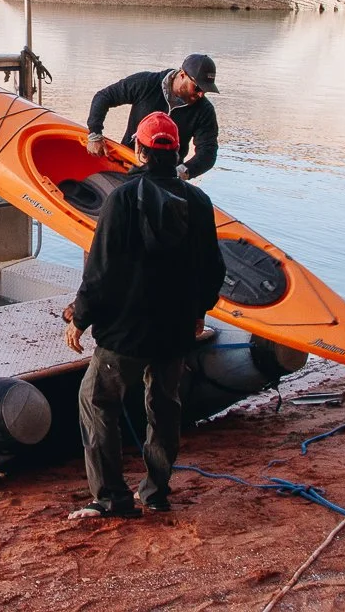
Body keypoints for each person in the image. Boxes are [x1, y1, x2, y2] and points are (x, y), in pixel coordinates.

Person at [64, 111, 227, 519]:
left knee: (97, 401)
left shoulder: (120, 198)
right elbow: (214, 270)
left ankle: (111, 498)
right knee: (165, 406)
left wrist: (81, 316)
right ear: (180, 151)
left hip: (125, 332)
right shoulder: (199, 201)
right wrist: (199, 313)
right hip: (174, 330)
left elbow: (100, 270)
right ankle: (155, 493)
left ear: (138, 149)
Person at [85, 53, 220, 180]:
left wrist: (182, 171)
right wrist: (95, 134)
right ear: (182, 74)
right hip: (127, 165)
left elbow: (208, 151)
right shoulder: (146, 83)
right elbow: (104, 97)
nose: (201, 94)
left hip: (168, 176)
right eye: (198, 88)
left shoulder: (204, 110)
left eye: (206, 90)